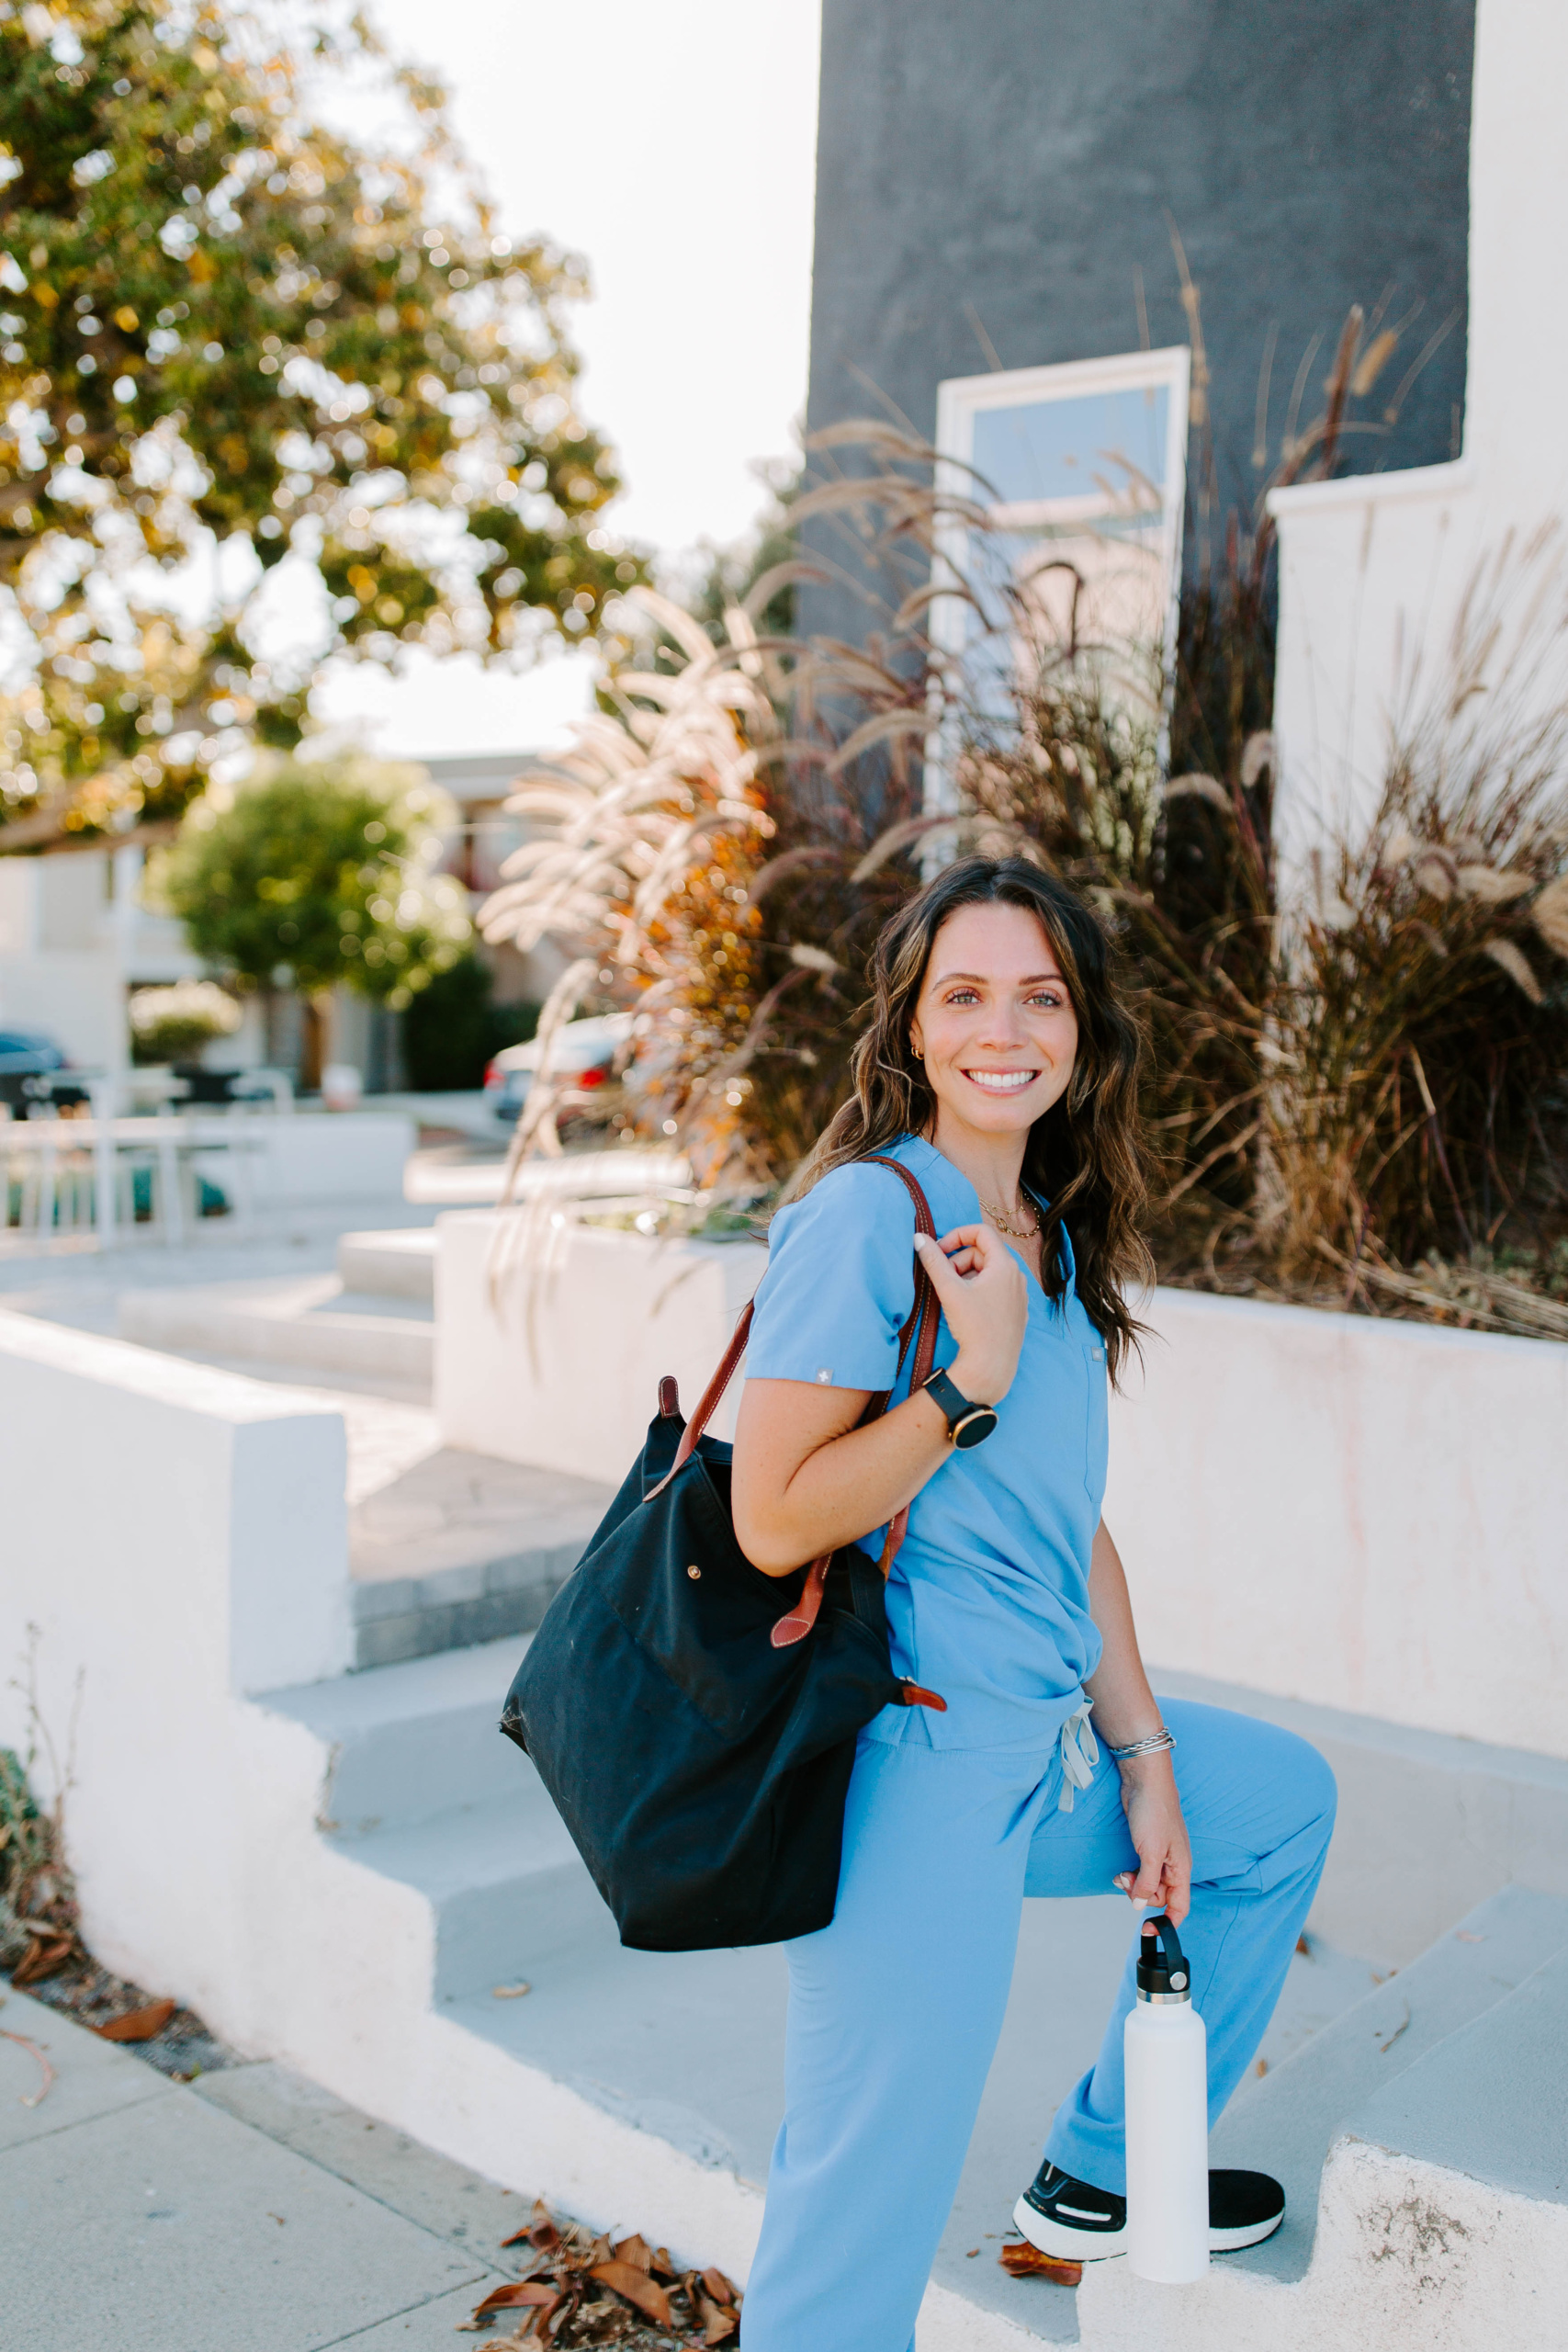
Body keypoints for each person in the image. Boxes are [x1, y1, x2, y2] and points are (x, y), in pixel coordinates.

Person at [729, 855, 1337, 2352]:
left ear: (1083, 1029)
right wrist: (964, 1383)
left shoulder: (1051, 1237)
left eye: (1041, 995)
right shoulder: (869, 1221)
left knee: (1274, 1808)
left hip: (1041, 1747)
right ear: (914, 1029)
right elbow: (769, 1518)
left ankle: (1109, 2171)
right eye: (967, 995)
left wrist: (1145, 1758)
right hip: (911, 1768)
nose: (1006, 1028)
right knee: (858, 2215)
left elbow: (1073, 1527)